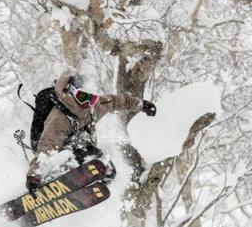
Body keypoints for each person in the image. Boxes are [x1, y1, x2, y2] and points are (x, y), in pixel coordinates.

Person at [25, 72, 156, 195]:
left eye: (91, 98)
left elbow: (117, 101)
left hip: (80, 147)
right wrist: (33, 176)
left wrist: (142, 104)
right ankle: (56, 178)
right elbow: (46, 146)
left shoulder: (93, 108)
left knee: (107, 170)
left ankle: (88, 184)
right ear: (72, 93)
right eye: (82, 97)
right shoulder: (60, 119)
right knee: (81, 150)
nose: (86, 102)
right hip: (54, 149)